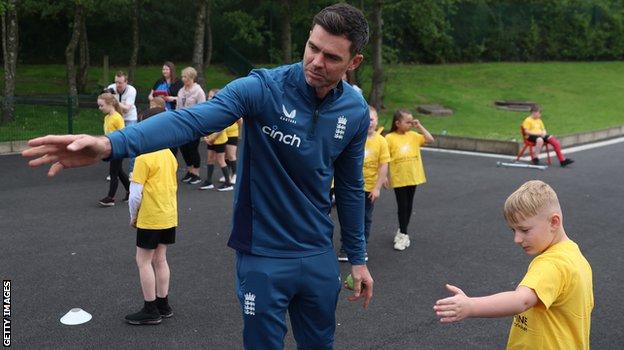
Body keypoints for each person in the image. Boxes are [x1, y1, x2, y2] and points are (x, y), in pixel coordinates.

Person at [23, 4, 374, 349]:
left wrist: (358, 259)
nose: (315, 61)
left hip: (317, 254)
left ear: (353, 62)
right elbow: (189, 120)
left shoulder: (354, 110)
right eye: (312, 47)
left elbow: (349, 187)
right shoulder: (264, 88)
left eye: (331, 57)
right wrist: (111, 144)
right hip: (262, 254)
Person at [434, 180, 594, 349]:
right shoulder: (575, 257)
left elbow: (521, 300)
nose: (517, 239)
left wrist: (471, 306)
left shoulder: (552, 265)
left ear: (554, 222)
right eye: (513, 230)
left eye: (524, 230)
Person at [125, 103, 179, 325]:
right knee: (161, 259)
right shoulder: (169, 154)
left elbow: (135, 195)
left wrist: (133, 216)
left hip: (151, 216)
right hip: (169, 215)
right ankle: (163, 304)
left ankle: (150, 309)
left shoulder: (143, 157)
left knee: (143, 261)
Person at [338, 106, 389, 262]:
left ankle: (361, 249)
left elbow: (384, 165)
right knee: (349, 218)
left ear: (377, 120)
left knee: (365, 219)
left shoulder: (381, 141)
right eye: (366, 119)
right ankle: (345, 248)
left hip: (368, 188)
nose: (369, 123)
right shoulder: (354, 136)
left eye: (372, 119)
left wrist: (377, 188)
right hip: (351, 187)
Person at [384, 109, 434, 251]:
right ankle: (403, 233)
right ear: (397, 123)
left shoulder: (414, 135)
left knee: (409, 205)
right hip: (399, 177)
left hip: (413, 175)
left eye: (412, 121)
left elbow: (430, 139)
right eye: (408, 122)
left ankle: (402, 231)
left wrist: (419, 126)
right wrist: (384, 176)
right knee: (402, 205)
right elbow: (384, 159)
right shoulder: (389, 138)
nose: (411, 124)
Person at [97, 92, 129, 207]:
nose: (99, 108)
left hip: (118, 149)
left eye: (102, 105)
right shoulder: (107, 117)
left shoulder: (117, 118)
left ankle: (110, 198)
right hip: (111, 148)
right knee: (119, 171)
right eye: (99, 105)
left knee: (113, 172)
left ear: (110, 104)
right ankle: (130, 191)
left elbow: (123, 134)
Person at [176, 67, 206, 185]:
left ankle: (196, 173)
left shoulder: (198, 91)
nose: (183, 79)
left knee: (193, 148)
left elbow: (203, 108)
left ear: (192, 78)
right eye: (183, 77)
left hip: (194, 124)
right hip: (182, 124)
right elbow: (178, 106)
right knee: (184, 148)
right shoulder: (181, 91)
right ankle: (189, 171)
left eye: (186, 77)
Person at [107, 71, 138, 173]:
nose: (118, 85)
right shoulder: (111, 88)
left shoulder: (131, 90)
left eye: (120, 83)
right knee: (114, 144)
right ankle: (114, 171)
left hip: (130, 118)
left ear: (126, 82)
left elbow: (127, 108)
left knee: (132, 144)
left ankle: (132, 172)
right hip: (116, 118)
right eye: (116, 82)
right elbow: (106, 104)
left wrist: (114, 101)